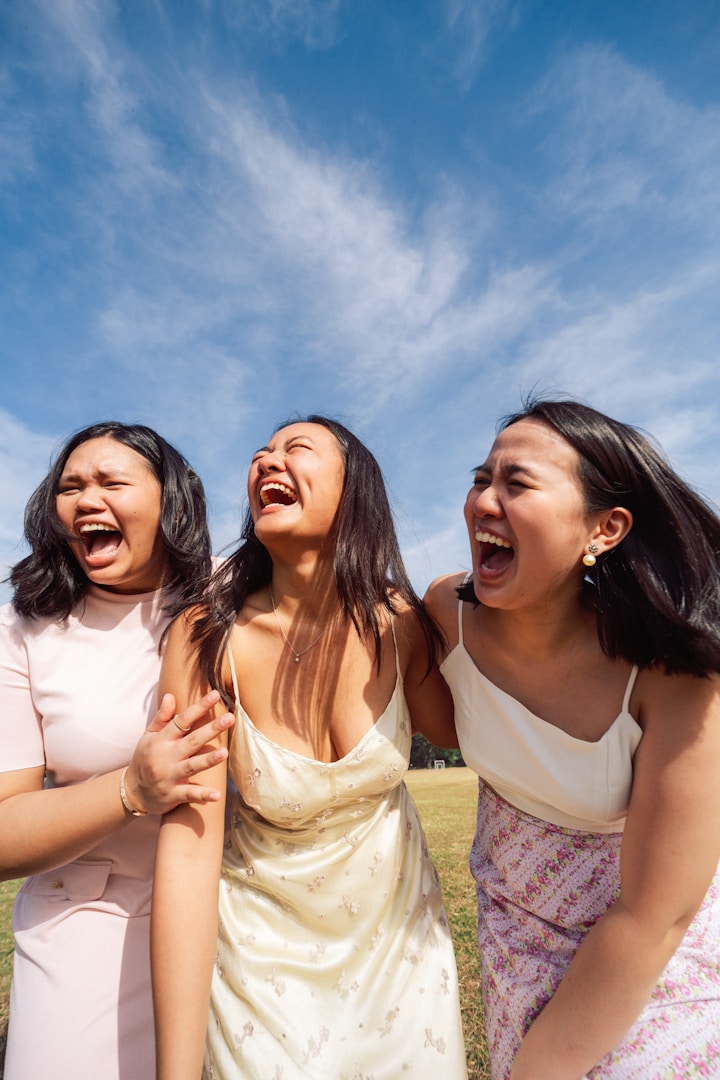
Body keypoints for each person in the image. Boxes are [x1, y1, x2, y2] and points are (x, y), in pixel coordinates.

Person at [152, 415, 468, 1080]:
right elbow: (187, 849)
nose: (267, 462)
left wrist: (464, 604)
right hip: (259, 964)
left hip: (402, 957)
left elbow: (478, 738)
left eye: (296, 450)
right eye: (261, 454)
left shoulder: (404, 623)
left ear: (356, 493)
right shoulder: (206, 635)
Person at [425, 397, 720, 1080]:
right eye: (480, 479)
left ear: (605, 528)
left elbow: (653, 918)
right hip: (514, 941)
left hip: (647, 959)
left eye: (516, 483)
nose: (483, 503)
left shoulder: (675, 674)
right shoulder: (445, 613)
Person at [0, 422, 234, 1080]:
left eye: (110, 482)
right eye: (69, 487)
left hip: (237, 911)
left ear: (172, 503)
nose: (84, 499)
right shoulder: (22, 629)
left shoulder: (232, 592)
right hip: (84, 915)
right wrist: (131, 791)